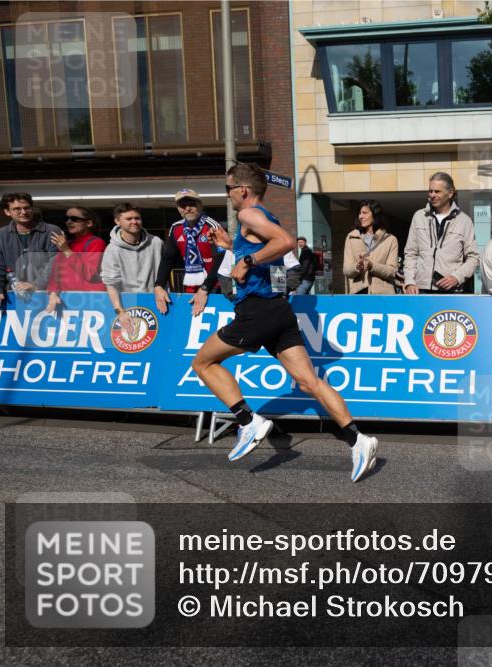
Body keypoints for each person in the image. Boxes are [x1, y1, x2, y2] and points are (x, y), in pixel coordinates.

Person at [191, 162, 378, 481]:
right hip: (277, 310)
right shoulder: (264, 217)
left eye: (228, 189)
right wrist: (230, 247)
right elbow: (267, 251)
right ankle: (359, 440)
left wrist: (247, 259)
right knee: (309, 382)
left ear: (243, 190)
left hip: (257, 312)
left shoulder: (249, 215)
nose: (228, 195)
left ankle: (248, 421)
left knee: (203, 364)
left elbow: (285, 243)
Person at [403, 172, 479, 294]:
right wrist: (410, 281)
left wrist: (456, 277)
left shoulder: (464, 221)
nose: (432, 195)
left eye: (437, 191)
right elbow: (411, 253)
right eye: (430, 191)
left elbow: (473, 257)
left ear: (450, 193)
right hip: (420, 289)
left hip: (452, 291)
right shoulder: (418, 216)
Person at [154, 189, 224, 317]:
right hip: (191, 285)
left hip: (215, 285)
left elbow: (221, 259)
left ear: (200, 205)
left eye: (192, 204)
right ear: (178, 209)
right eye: (183, 205)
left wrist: (205, 289)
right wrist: (159, 285)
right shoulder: (176, 228)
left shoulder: (212, 226)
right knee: (190, 321)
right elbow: (167, 259)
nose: (188, 208)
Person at [0, 192, 59, 312]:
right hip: (12, 296)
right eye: (17, 209)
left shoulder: (51, 231)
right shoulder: (2, 234)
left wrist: (36, 284)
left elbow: (57, 262)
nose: (23, 212)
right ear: (7, 212)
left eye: (26, 208)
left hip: (44, 295)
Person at [101, 203, 164, 336]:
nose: (134, 222)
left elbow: (165, 272)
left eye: (137, 218)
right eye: (129, 219)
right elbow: (111, 285)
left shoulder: (156, 242)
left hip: (158, 305)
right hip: (128, 308)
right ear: (117, 221)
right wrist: (120, 312)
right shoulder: (112, 249)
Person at [45, 206, 107, 313]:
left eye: (74, 219)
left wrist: (66, 250)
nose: (69, 222)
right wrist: (53, 293)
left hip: (91, 302)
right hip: (67, 301)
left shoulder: (96, 242)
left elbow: (89, 273)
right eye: (67, 219)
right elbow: (56, 274)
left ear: (89, 223)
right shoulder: (67, 244)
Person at [344, 200, 399, 294]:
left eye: (364, 213)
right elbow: (346, 270)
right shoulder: (351, 237)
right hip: (358, 294)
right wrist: (357, 267)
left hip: (382, 296)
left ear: (375, 215)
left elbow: (392, 272)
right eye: (359, 213)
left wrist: (372, 266)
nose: (360, 216)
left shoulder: (390, 240)